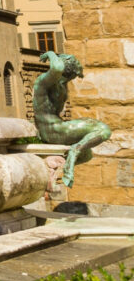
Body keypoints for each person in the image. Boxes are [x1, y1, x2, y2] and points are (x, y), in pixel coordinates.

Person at [33, 51, 111, 188]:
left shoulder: (60, 85)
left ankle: (53, 171)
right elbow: (56, 68)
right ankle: (73, 152)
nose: (71, 79)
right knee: (103, 130)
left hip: (56, 127)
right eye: (72, 76)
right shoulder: (43, 81)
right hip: (52, 130)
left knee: (87, 154)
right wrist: (50, 54)